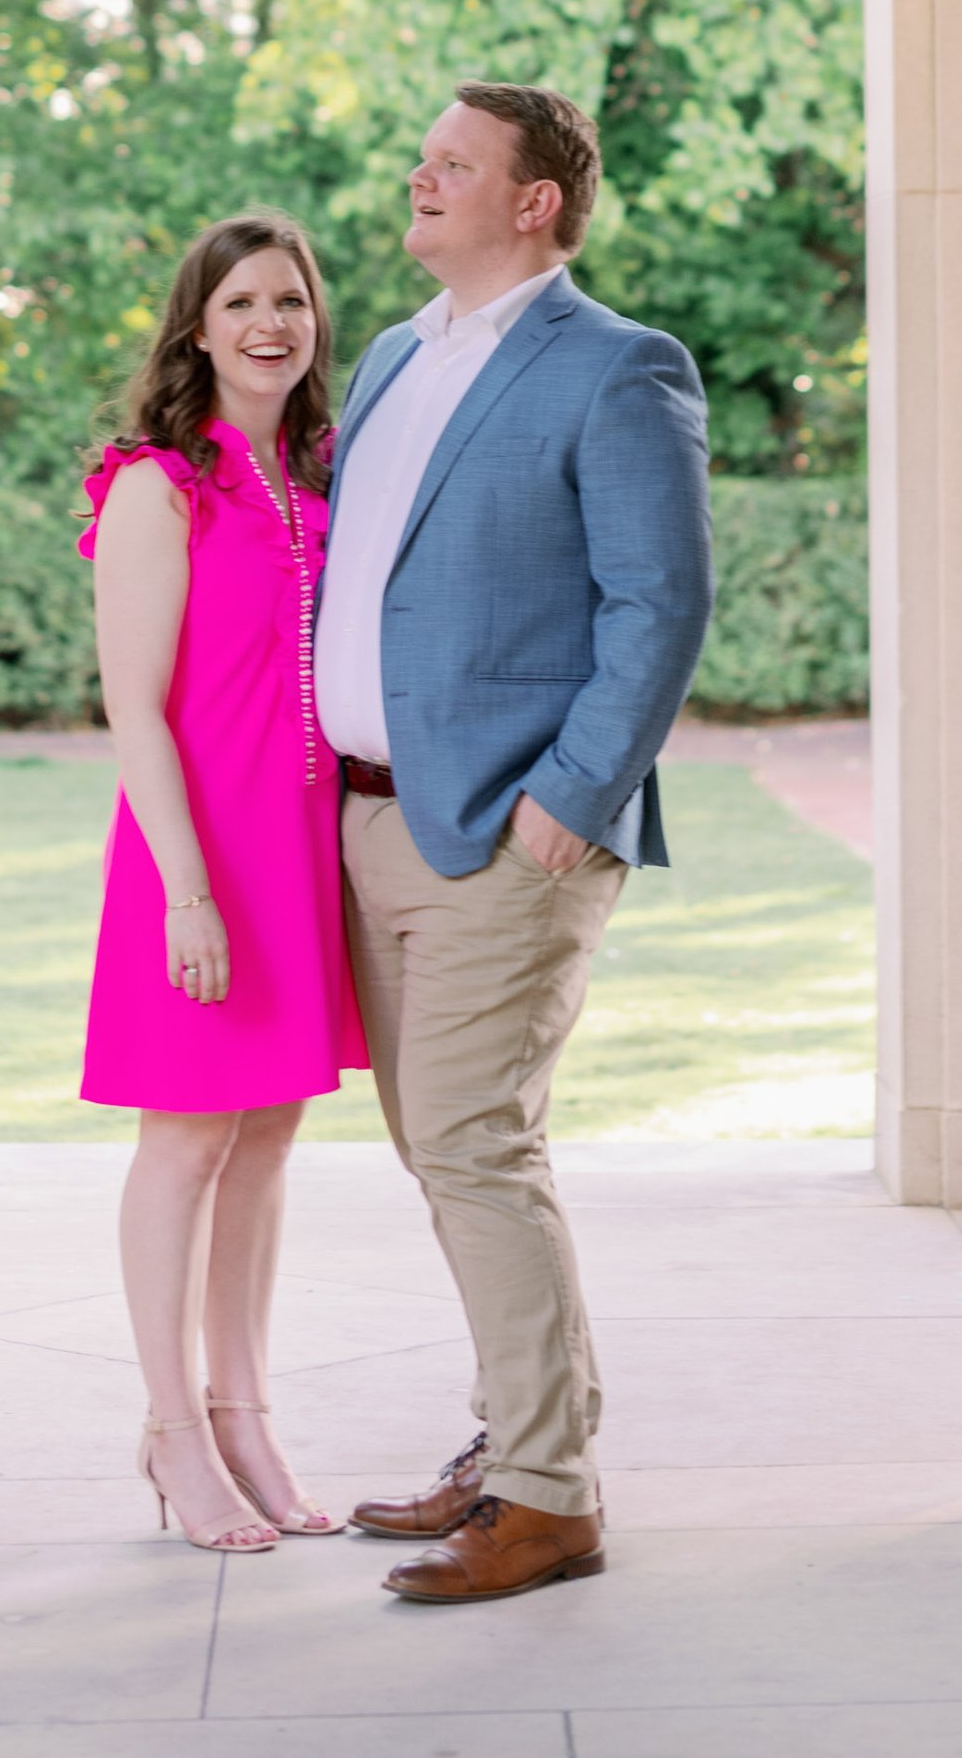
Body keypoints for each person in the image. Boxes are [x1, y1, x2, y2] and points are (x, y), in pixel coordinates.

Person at [317, 83, 714, 1602]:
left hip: (510, 826)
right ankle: (515, 1444)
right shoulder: (394, 355)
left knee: (477, 1138)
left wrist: (576, 790)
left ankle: (551, 1494)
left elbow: (658, 602)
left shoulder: (620, 368)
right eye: (421, 154)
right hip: (365, 816)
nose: (418, 175)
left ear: (535, 199)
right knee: (444, 1144)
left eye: (454, 162)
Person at [80, 213, 367, 1552]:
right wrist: (186, 891)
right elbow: (136, 708)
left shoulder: (318, 477)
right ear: (197, 325)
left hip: (301, 845)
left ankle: (244, 1408)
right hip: (196, 853)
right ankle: (171, 1431)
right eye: (243, 299)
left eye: (293, 299)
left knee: (265, 1139)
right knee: (186, 1137)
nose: (272, 322)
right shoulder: (158, 482)